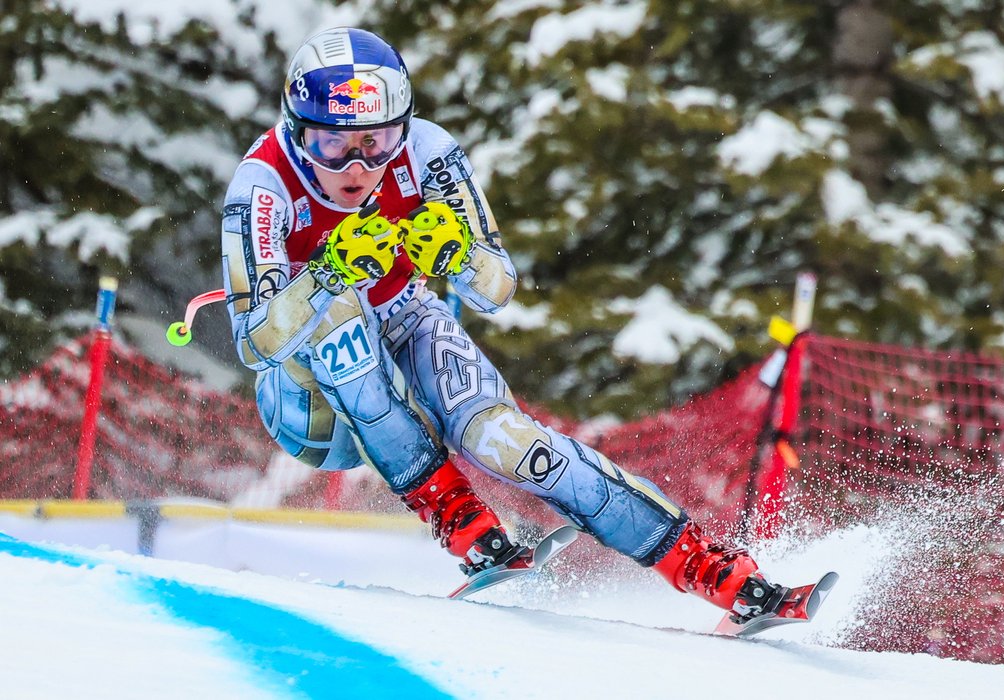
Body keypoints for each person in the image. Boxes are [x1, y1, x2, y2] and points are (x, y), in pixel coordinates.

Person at [221, 26, 786, 621]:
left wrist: (459, 256)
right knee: (338, 322)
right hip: (309, 405)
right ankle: (457, 516)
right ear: (295, 130)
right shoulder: (262, 183)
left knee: (503, 440)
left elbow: (496, 288)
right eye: (333, 147)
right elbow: (257, 344)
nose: (359, 167)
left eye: (378, 141)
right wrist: (327, 273)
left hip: (401, 310)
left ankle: (706, 566)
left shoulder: (428, 154)